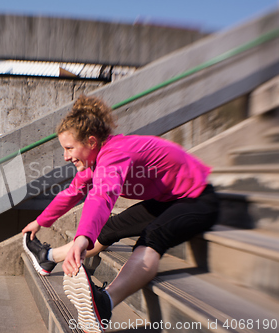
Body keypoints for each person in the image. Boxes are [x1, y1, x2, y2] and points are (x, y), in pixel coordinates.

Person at [22, 95, 220, 332]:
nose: (65, 156)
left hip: (197, 199)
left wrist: (82, 238)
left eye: (69, 148)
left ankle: (105, 303)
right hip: (166, 200)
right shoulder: (94, 161)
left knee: (153, 235)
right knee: (109, 228)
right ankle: (49, 257)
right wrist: (39, 221)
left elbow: (102, 196)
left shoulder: (116, 153)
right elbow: (72, 192)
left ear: (91, 142)